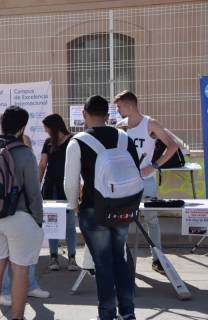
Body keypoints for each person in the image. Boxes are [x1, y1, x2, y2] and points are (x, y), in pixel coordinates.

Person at [64, 95, 139, 320]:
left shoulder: (77, 141)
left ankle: (107, 314)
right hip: (124, 208)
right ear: (108, 116)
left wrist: (73, 205)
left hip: (92, 209)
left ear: (85, 115)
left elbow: (70, 181)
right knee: (120, 260)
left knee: (103, 263)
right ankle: (128, 313)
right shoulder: (125, 138)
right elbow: (135, 171)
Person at [0, 106, 44, 320]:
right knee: (20, 271)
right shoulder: (24, 153)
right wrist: (38, 218)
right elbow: (34, 192)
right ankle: (17, 317)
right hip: (19, 218)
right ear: (22, 127)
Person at [114, 90, 177, 275]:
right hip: (125, 182)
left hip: (146, 180)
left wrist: (155, 166)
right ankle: (122, 259)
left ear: (130, 105)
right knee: (122, 219)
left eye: (119, 106)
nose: (117, 110)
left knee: (152, 220)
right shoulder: (120, 126)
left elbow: (172, 146)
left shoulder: (151, 124)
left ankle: (157, 259)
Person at [0, 133, 50, 307]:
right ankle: (5, 291)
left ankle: (30, 286)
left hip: (16, 216)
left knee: (27, 255)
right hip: (14, 216)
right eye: (27, 146)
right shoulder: (17, 159)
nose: (29, 150)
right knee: (7, 258)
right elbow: (34, 192)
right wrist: (38, 217)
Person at [38, 113, 79, 272]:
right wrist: (36, 186)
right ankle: (53, 257)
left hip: (68, 188)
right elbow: (42, 165)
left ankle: (72, 258)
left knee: (69, 225)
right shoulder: (48, 143)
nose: (46, 131)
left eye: (47, 128)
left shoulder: (73, 141)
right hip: (51, 188)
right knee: (52, 223)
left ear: (54, 127)